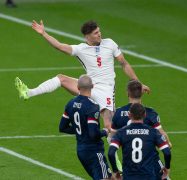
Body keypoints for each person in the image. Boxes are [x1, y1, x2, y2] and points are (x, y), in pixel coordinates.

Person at [15, 20, 150, 131]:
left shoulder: (110, 43)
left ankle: (116, 159)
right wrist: (44, 33)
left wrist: (138, 83)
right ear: (87, 36)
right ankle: (29, 92)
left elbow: (124, 63)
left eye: (99, 31)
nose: (99, 34)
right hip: (88, 88)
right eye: (96, 33)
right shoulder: (81, 49)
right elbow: (59, 46)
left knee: (109, 126)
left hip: (106, 90)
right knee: (61, 78)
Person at [111, 80, 171, 179]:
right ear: (141, 93)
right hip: (151, 161)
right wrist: (167, 143)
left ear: (127, 93)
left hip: (130, 163)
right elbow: (162, 135)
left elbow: (111, 138)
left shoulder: (118, 113)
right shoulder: (149, 113)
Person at [59, 75, 111, 180]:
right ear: (92, 86)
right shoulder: (93, 106)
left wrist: (81, 130)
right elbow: (93, 134)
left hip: (81, 151)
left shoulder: (70, 104)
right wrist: (105, 132)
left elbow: (62, 127)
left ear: (78, 87)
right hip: (94, 151)